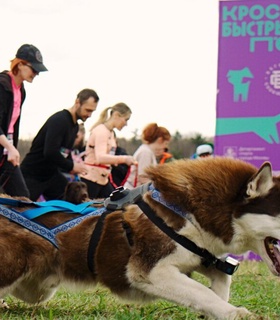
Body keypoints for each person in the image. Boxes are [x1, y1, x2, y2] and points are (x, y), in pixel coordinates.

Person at [20, 88, 99, 201]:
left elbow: (63, 154)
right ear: (77, 102)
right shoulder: (60, 120)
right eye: (87, 110)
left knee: (72, 200)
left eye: (92, 111)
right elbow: (50, 152)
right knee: (22, 211)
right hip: (33, 175)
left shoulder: (75, 126)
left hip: (51, 175)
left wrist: (73, 167)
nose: (90, 115)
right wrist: (71, 166)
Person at [0, 44, 48, 197]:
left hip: (7, 154)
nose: (36, 74)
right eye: (33, 69)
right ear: (19, 64)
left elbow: (12, 126)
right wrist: (10, 147)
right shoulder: (2, 85)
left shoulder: (21, 90)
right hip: (7, 148)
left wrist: (11, 148)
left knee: (23, 199)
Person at [80, 103, 136, 198]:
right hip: (91, 180)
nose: (126, 124)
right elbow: (100, 158)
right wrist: (124, 159)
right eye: (126, 120)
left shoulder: (110, 133)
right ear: (116, 115)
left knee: (117, 206)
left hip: (102, 180)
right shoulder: (101, 131)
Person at [124, 123, 171, 189]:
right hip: (134, 193)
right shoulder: (146, 153)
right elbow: (143, 177)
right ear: (160, 140)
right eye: (166, 143)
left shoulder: (147, 151)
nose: (166, 147)